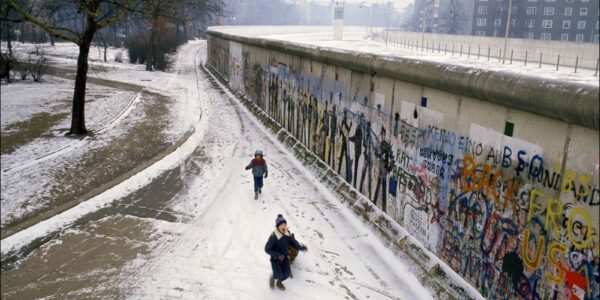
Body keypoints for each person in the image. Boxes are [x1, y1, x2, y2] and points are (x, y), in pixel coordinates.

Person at [264, 214, 307, 290]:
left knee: (286, 274)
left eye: (284, 224)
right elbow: (267, 249)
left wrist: (301, 247)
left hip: (285, 258)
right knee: (278, 275)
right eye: (281, 225)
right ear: (277, 226)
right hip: (275, 259)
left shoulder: (287, 234)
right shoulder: (273, 237)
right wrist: (278, 255)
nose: (283, 226)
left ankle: (279, 282)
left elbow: (293, 242)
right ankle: (273, 278)